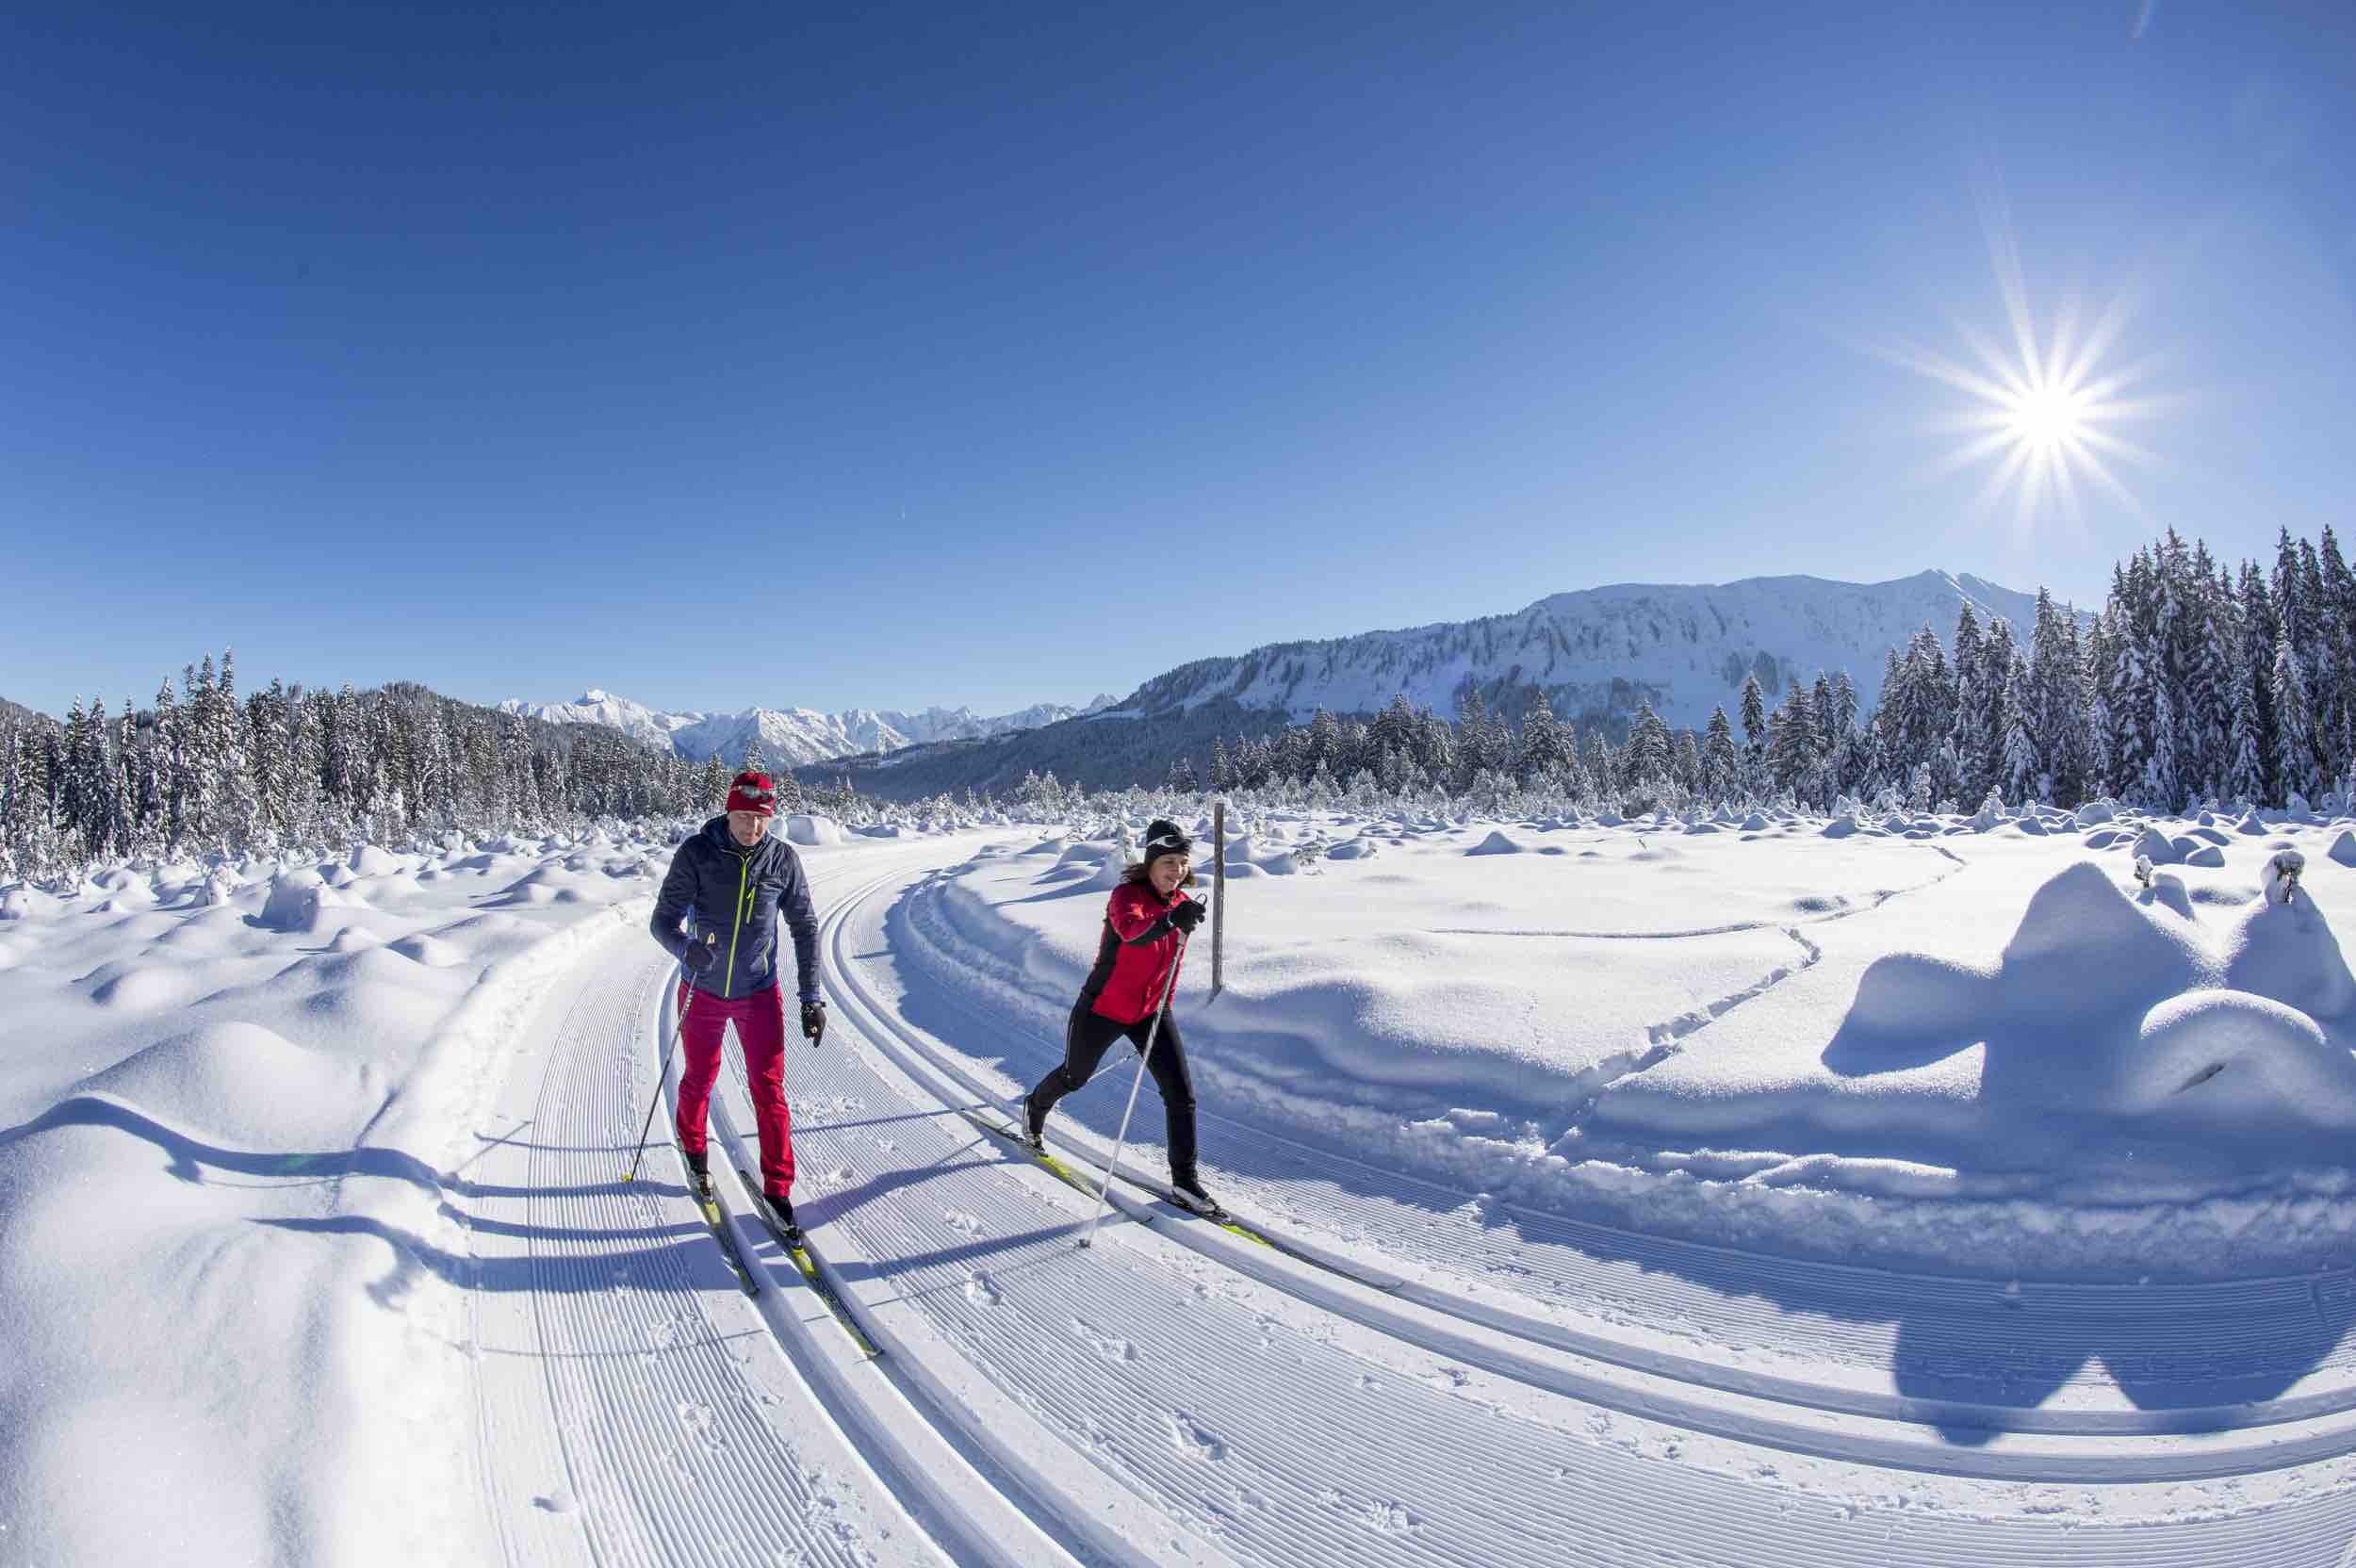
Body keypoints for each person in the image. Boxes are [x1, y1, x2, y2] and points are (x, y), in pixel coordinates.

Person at [650, 771, 825, 1233]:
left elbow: (805, 927)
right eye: (745, 817)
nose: (753, 828)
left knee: (770, 1092)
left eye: (762, 819)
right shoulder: (697, 853)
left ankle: (779, 1189)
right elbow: (663, 921)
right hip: (702, 991)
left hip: (758, 993)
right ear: (728, 810)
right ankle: (693, 1151)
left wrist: (811, 996)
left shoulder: (781, 859)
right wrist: (686, 948)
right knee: (700, 1077)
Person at [1023, 818, 1218, 1211]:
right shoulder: (1125, 896)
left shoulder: (1181, 905)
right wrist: (1167, 922)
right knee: (1074, 1076)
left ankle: (1185, 1182)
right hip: (1103, 1009)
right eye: (1168, 862)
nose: (1176, 871)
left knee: (1181, 1096)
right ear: (1150, 863)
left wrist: (1163, 1007)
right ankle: (1035, 1107)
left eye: (1182, 862)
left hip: (1152, 1012)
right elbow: (1132, 932)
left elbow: (1171, 966)